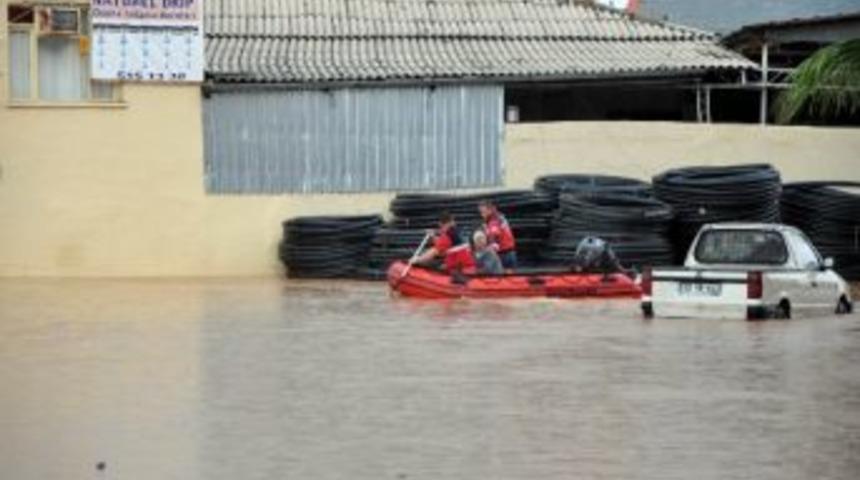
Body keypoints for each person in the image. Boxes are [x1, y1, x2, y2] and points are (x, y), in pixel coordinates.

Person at [478, 200, 518, 269]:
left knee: (502, 278)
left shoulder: (494, 221)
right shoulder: (498, 217)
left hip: (504, 255)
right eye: (481, 212)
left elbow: (494, 238)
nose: (482, 214)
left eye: (483, 212)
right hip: (509, 253)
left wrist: (485, 254)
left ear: (490, 210)